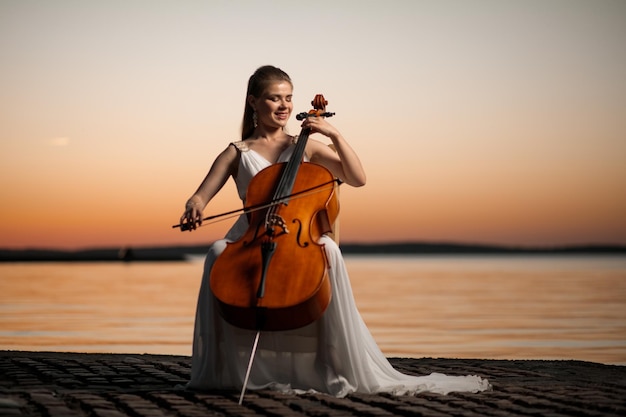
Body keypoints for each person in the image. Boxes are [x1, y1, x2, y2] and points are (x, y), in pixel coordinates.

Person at [179, 65, 490, 396]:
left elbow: (357, 178)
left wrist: (334, 134)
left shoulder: (305, 146)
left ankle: (330, 361)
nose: (283, 106)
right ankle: (221, 368)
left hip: (295, 235)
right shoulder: (236, 152)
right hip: (251, 234)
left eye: (288, 98)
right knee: (215, 252)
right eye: (274, 98)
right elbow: (202, 193)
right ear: (254, 102)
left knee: (329, 251)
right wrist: (194, 205)